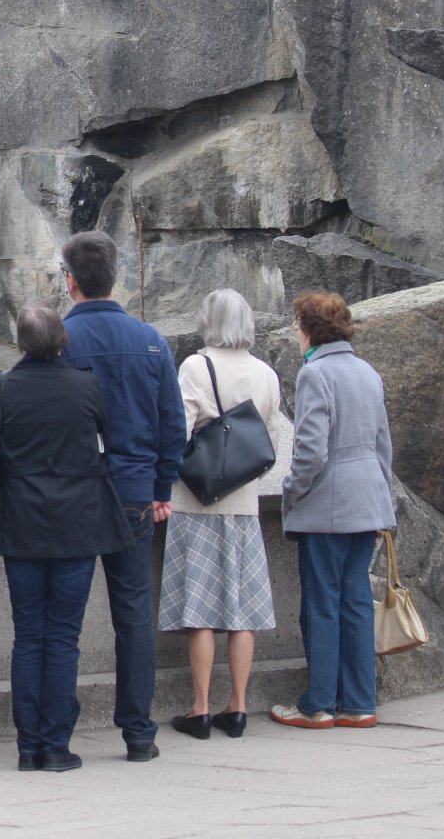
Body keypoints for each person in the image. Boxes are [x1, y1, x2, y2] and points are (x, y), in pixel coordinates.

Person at [58, 230, 186, 762]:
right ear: (114, 276)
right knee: (133, 615)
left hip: (72, 493)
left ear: (70, 281)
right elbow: (172, 426)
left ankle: (57, 732)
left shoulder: (58, 341)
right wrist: (160, 487)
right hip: (134, 492)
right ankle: (138, 732)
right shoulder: (152, 341)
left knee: (63, 620)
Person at [0, 301, 132, 773]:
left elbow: (6, 448)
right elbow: (109, 440)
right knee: (63, 636)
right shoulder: (85, 384)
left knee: (28, 633)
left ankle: (27, 745)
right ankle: (56, 743)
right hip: (76, 522)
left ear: (20, 344)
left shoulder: (8, 387)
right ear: (63, 340)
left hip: (23, 522)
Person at [159, 289, 282, 740]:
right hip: (244, 505)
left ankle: (201, 708)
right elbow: (267, 440)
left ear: (208, 321)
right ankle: (239, 707)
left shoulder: (196, 366)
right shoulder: (266, 374)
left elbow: (178, 430)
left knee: (201, 610)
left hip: (197, 501)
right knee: (242, 611)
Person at [272, 291, 395, 730]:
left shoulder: (315, 375)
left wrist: (291, 489)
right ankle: (360, 702)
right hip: (367, 503)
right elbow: (383, 446)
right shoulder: (367, 372)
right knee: (357, 602)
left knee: (322, 604)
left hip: (326, 507)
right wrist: (383, 507)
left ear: (308, 330)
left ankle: (319, 703)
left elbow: (310, 452)